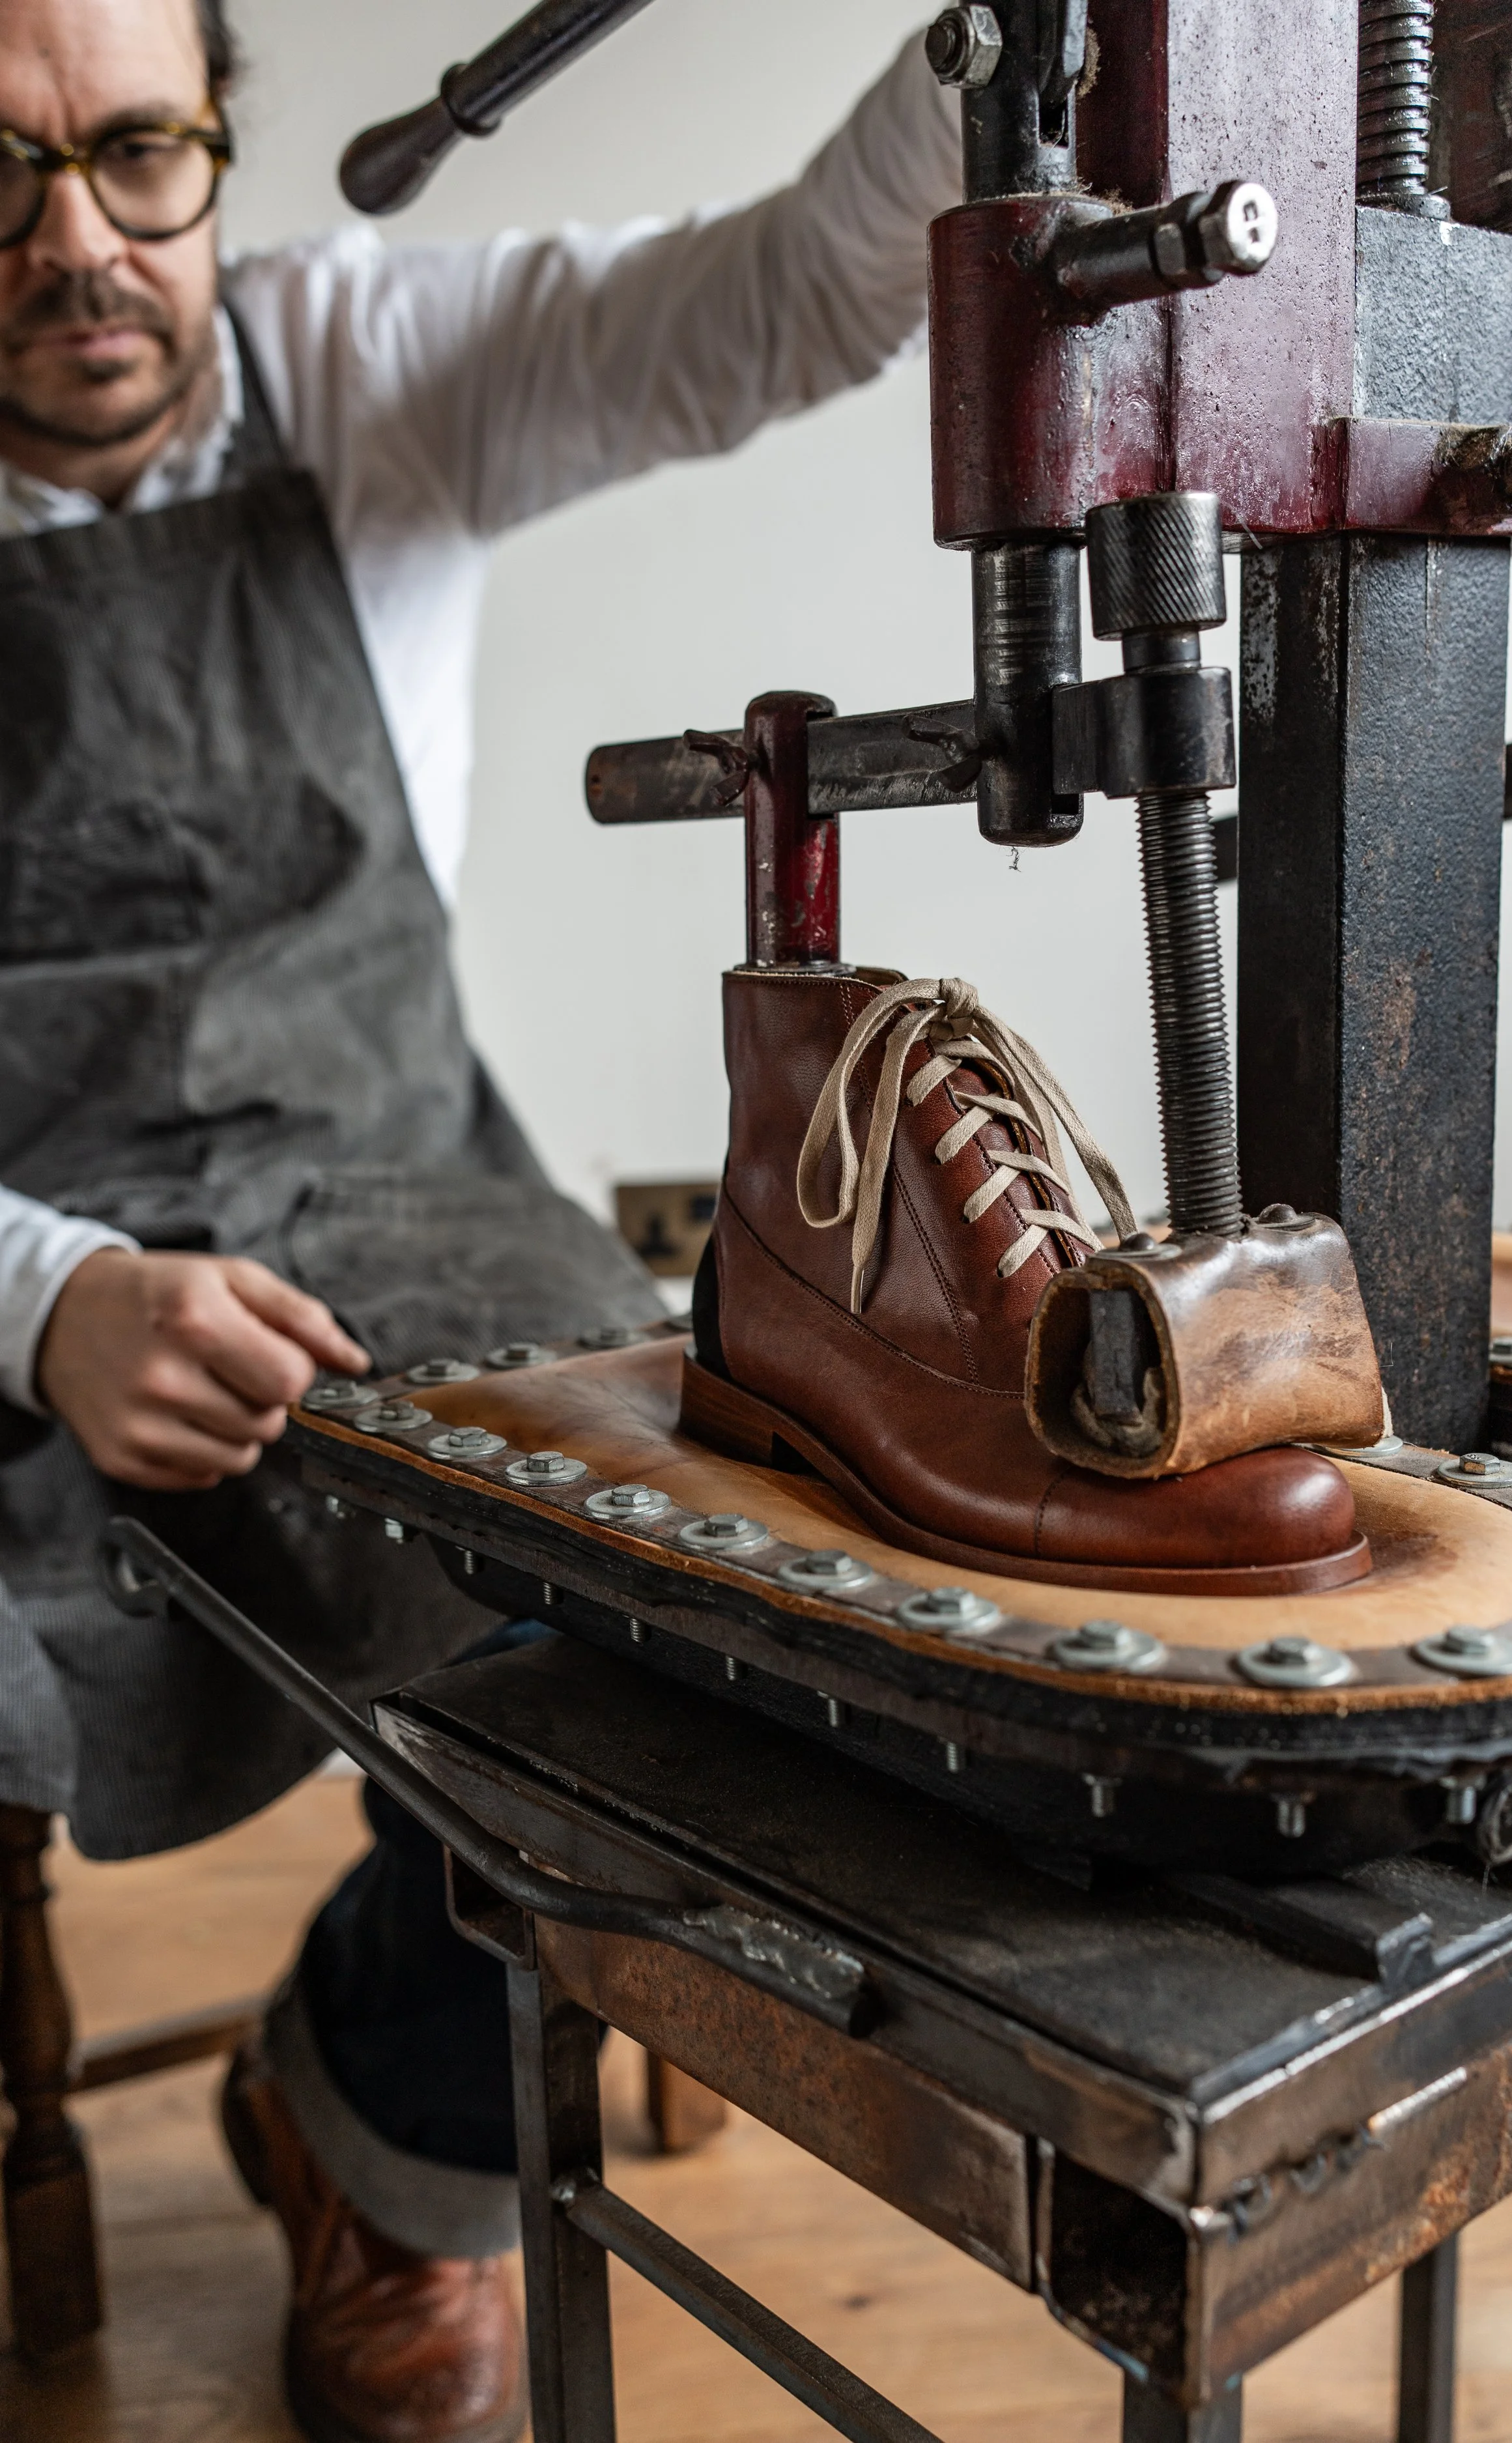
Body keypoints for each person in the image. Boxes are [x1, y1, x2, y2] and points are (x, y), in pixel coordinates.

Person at [0, 0, 961, 2435]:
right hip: (14, 1243)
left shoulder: (364, 363)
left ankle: (388, 2129)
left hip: (385, 1196)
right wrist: (45, 1299)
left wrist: (1006, 47)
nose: (74, 247)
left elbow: (794, 295)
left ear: (221, 141)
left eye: (137, 157)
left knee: (685, 1598)